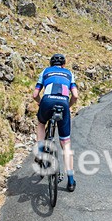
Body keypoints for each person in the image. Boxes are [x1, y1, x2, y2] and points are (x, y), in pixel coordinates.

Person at [33, 54, 79, 192]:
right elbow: (75, 95)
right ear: (63, 65)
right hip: (63, 104)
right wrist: (68, 106)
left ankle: (41, 151)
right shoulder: (69, 73)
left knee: (41, 124)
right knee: (65, 143)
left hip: (46, 101)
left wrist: (41, 104)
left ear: (51, 64)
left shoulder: (45, 72)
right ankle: (70, 181)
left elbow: (35, 94)